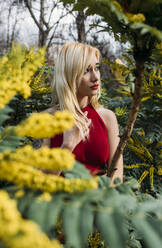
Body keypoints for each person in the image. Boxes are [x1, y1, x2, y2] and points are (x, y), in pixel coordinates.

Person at [42, 42, 123, 185]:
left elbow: (117, 175)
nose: (96, 77)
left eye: (96, 68)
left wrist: (104, 203)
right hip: (59, 203)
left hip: (100, 202)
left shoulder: (107, 117)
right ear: (70, 74)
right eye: (86, 70)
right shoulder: (47, 119)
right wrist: (67, 146)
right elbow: (39, 183)